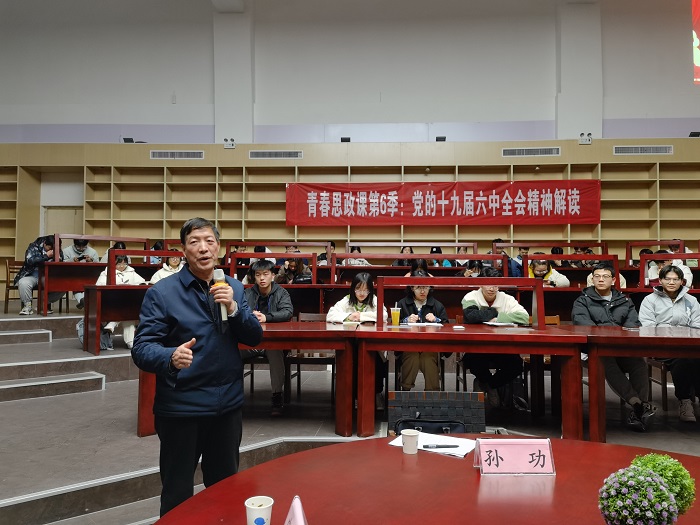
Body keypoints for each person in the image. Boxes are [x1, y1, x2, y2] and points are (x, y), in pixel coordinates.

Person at [131, 217, 262, 517]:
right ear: (183, 250)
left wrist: (234, 309)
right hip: (182, 409)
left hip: (227, 407)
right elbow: (142, 348)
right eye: (194, 242)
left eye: (209, 241)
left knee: (225, 488)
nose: (203, 248)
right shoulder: (162, 293)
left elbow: (254, 336)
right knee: (177, 494)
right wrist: (169, 356)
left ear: (219, 247)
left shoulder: (233, 287)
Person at [571, 263, 654, 432]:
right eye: (597, 276)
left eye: (605, 276)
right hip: (595, 349)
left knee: (639, 364)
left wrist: (619, 338)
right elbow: (584, 325)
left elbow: (633, 324)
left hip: (622, 347)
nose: (601, 280)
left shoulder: (625, 300)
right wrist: (613, 333)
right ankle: (637, 405)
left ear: (614, 280)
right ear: (592, 279)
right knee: (607, 363)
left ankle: (641, 408)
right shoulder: (582, 301)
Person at [460, 266, 529, 407]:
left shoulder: (506, 298)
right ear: (480, 284)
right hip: (478, 347)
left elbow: (524, 317)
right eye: (488, 284)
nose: (492, 289)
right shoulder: (471, 296)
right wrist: (493, 312)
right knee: (473, 361)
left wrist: (498, 318)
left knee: (516, 365)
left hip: (502, 347)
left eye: (496, 285)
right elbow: (471, 316)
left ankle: (489, 384)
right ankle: (487, 383)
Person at [639, 265, 700, 423]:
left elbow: (697, 326)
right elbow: (648, 328)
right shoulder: (649, 300)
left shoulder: (691, 301)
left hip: (687, 345)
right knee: (683, 360)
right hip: (661, 346)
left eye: (675, 279)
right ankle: (685, 401)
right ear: (660, 281)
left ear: (682, 281)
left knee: (694, 358)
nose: (671, 282)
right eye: (667, 279)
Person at [326, 272, 389, 408]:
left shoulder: (374, 300)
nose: (361, 293)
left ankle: (375, 393)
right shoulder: (347, 300)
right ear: (353, 288)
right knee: (351, 360)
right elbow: (330, 315)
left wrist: (360, 316)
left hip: (372, 344)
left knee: (375, 362)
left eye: (365, 290)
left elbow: (384, 315)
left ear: (370, 290)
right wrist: (349, 316)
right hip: (351, 343)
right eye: (358, 289)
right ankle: (353, 396)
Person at [240, 259, 293, 417]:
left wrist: (267, 317)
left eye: (265, 274)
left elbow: (287, 312)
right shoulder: (247, 293)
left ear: (273, 275)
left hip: (272, 341)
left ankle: (277, 396)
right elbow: (240, 311)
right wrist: (251, 315)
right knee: (233, 352)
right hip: (251, 341)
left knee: (276, 352)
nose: (262, 278)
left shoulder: (281, 292)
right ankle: (234, 394)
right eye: (258, 275)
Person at [396, 270, 448, 391]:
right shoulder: (402, 304)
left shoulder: (437, 305)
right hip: (408, 346)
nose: (423, 291)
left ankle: (432, 394)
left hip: (430, 346)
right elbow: (394, 326)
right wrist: (405, 320)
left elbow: (446, 326)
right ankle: (405, 391)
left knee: (428, 358)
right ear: (411, 288)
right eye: (419, 287)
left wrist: (437, 320)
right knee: (412, 356)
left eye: (426, 287)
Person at [96, 255, 146, 350]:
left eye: (124, 263)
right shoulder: (106, 273)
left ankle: (115, 326)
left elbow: (142, 282)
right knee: (128, 310)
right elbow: (99, 286)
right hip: (111, 302)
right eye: (119, 264)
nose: (122, 266)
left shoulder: (131, 272)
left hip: (128, 301)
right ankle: (129, 341)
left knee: (129, 314)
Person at [15, 235, 66, 315]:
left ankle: (44, 303)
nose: (52, 251)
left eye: (55, 249)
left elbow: (61, 262)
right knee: (23, 283)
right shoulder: (33, 246)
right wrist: (46, 256)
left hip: (48, 276)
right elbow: (29, 261)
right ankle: (27, 306)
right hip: (32, 275)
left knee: (63, 286)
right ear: (45, 244)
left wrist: (58, 259)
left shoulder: (57, 249)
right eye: (50, 248)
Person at [63, 238, 99, 309]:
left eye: (84, 247)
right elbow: (61, 264)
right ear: (74, 244)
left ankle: (83, 301)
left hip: (89, 276)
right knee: (75, 283)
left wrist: (91, 261)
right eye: (78, 247)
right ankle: (84, 301)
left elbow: (98, 265)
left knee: (91, 283)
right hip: (72, 275)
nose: (81, 249)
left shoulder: (93, 252)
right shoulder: (66, 251)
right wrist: (72, 260)